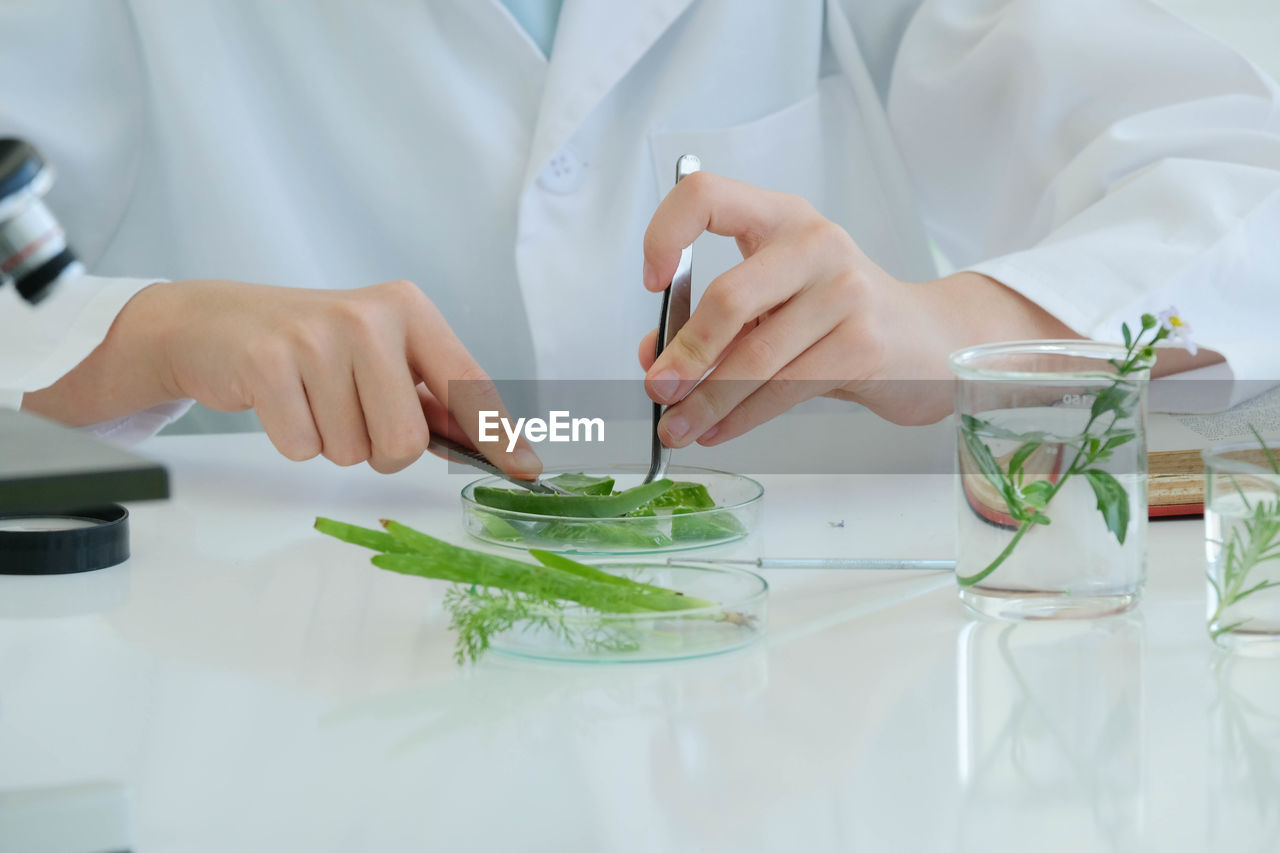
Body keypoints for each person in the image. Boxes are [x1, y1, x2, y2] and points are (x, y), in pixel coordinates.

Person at [1, 0, 1274, 478]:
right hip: (287, 679)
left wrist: (952, 331)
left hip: (793, 715)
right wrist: (144, 334)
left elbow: (1241, 179)